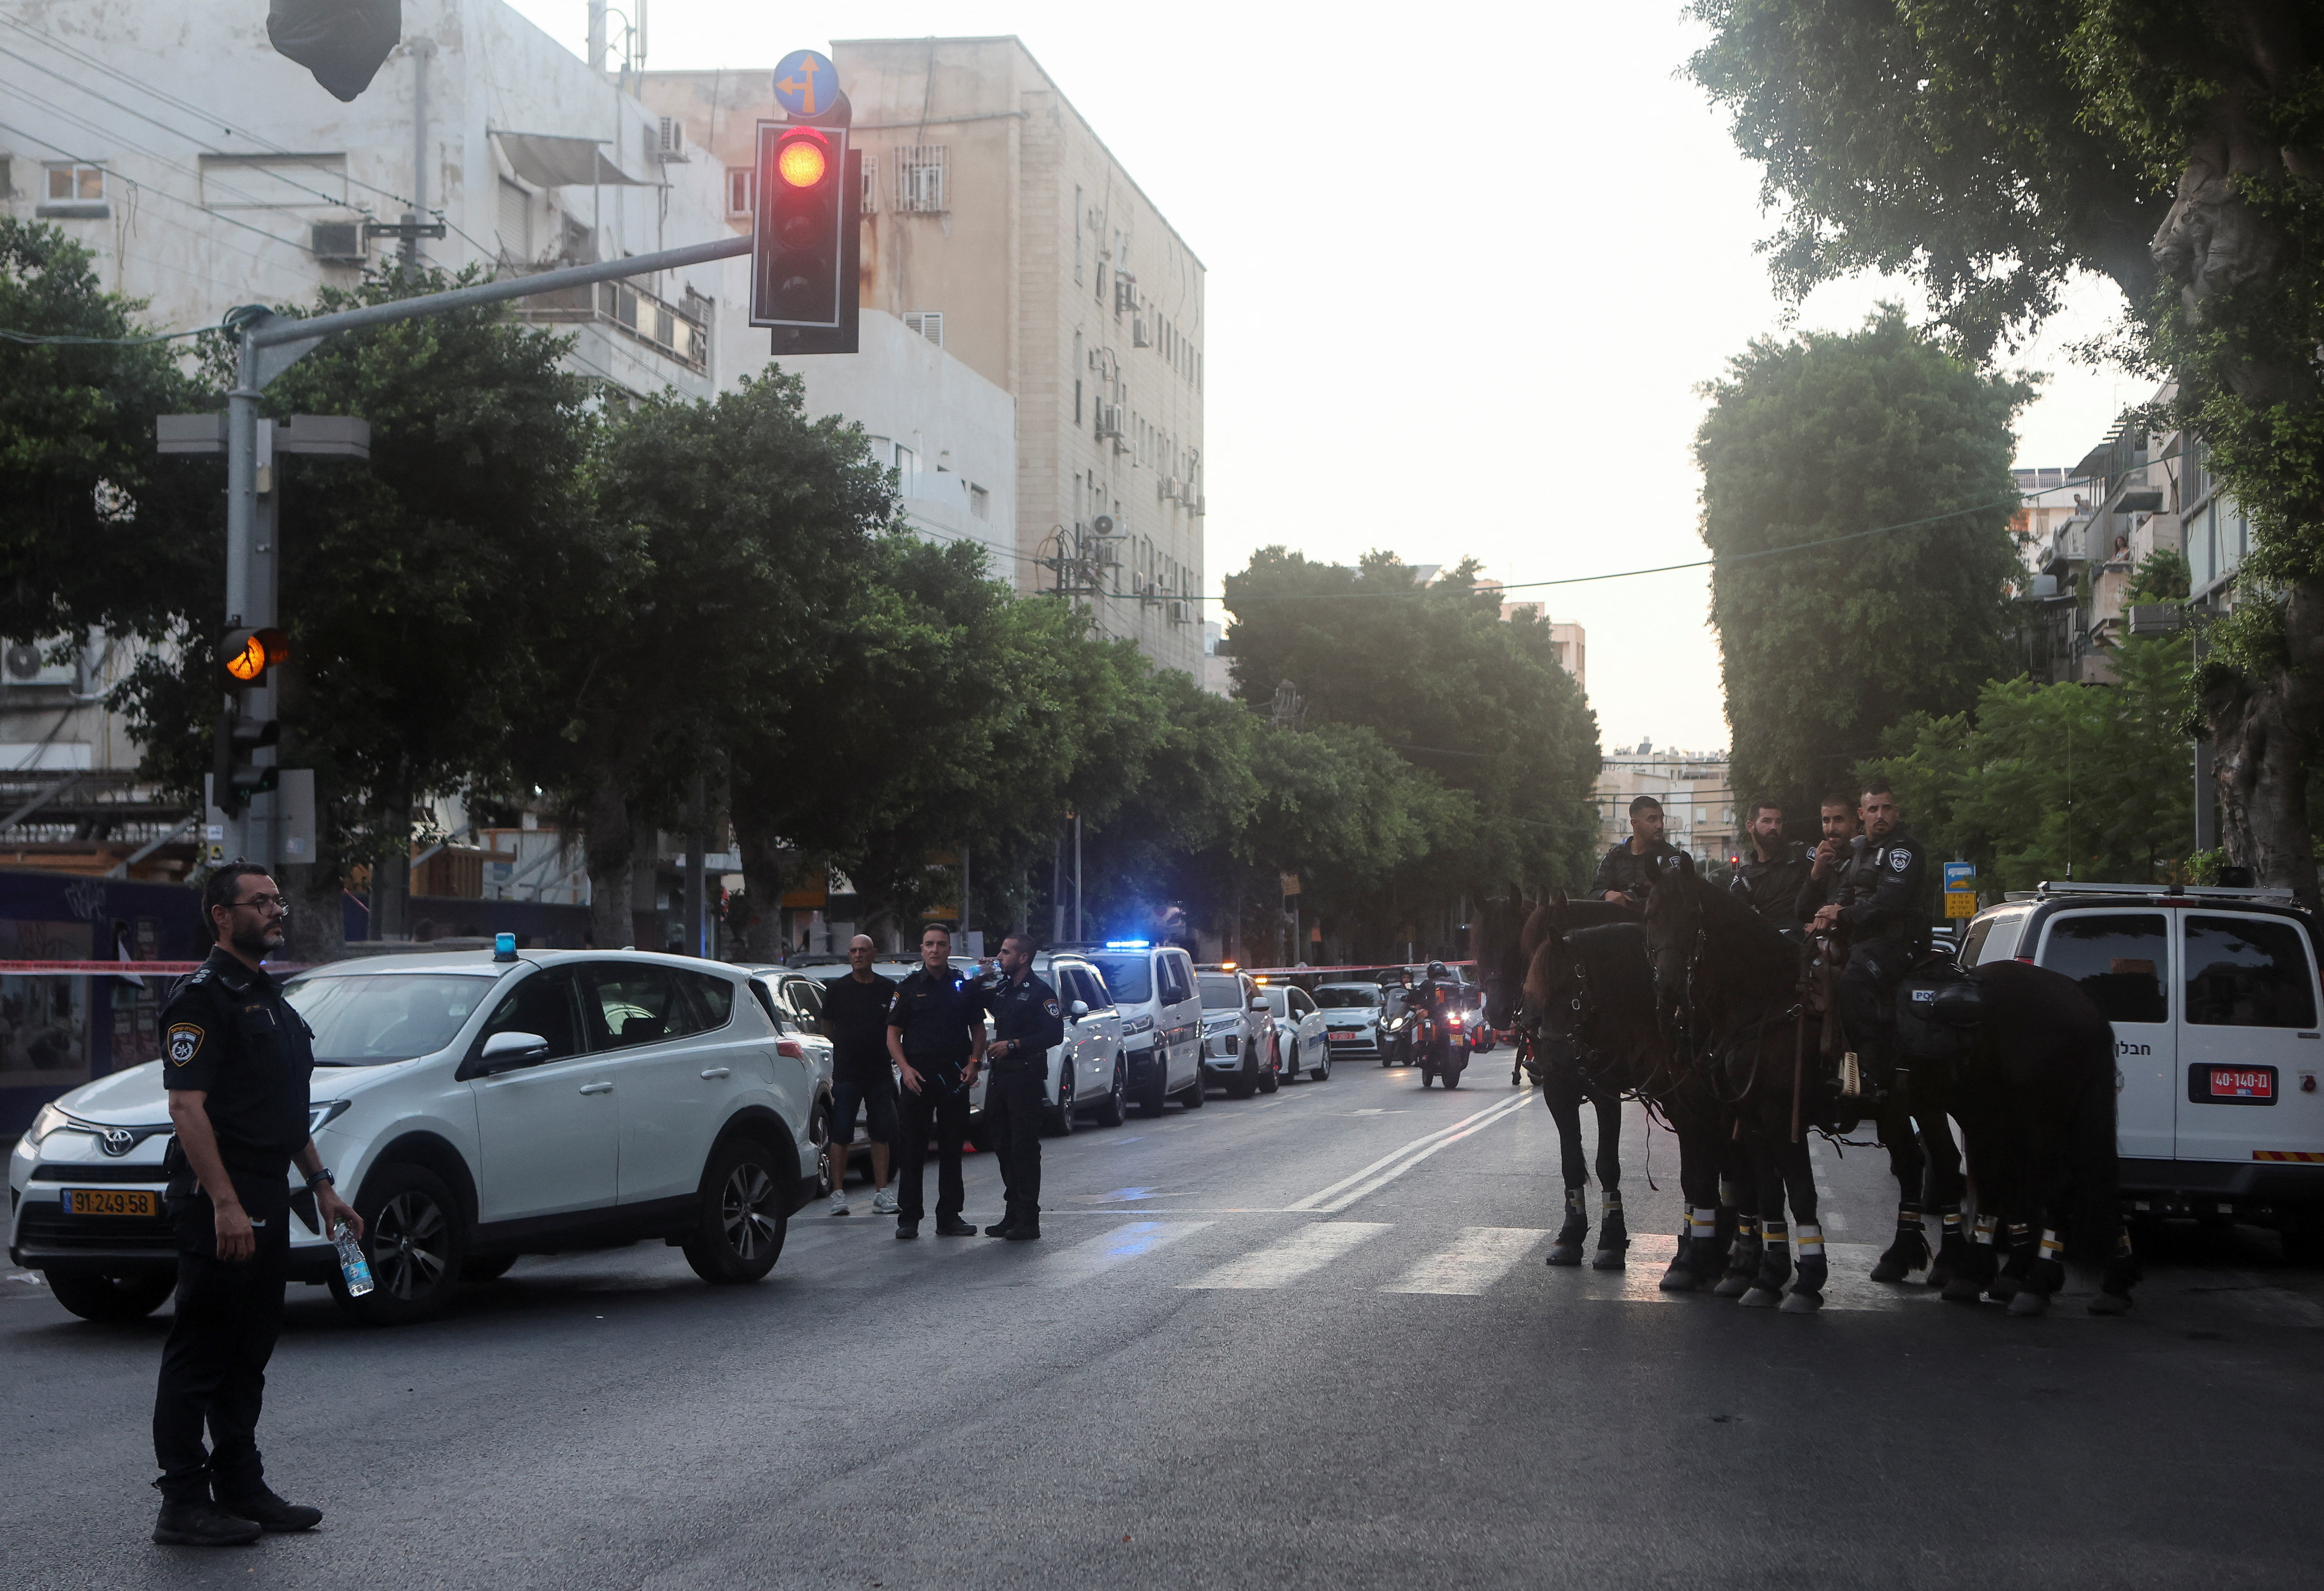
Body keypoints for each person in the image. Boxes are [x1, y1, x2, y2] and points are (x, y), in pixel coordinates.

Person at [150, 863, 363, 1548]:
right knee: (201, 1353)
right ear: (221, 914)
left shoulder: (271, 999)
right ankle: (183, 1502)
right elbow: (187, 1106)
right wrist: (225, 1203)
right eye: (261, 902)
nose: (278, 911)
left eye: (279, 901)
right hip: (222, 1198)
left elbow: (282, 1110)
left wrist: (324, 1185)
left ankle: (240, 1486)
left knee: (249, 1352)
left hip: (270, 1191)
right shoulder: (203, 998)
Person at [1809, 783, 1930, 1094]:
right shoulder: (1860, 850)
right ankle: (1827, 1062)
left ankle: (1869, 1072)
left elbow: (1889, 902)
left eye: (1887, 808)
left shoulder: (1904, 849)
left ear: (1896, 812)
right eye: (1873, 809)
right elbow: (1845, 894)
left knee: (1855, 981)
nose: (1881, 815)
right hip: (1864, 942)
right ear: (1862, 814)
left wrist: (1843, 915)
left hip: (1899, 943)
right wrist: (1823, 916)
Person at [885, 924, 988, 1239]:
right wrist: (904, 1069)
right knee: (912, 1148)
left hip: (955, 1077)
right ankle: (909, 1218)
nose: (935, 950)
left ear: (948, 949)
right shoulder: (908, 987)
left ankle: (949, 1217)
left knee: (951, 1148)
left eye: (941, 944)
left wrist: (974, 1064)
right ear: (922, 949)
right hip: (918, 1077)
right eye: (929, 944)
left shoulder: (963, 985)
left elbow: (978, 1030)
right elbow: (892, 1034)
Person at [981, 932, 1066, 1240]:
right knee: (1002, 1144)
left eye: (1005, 953)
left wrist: (1015, 1045)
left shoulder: (1041, 993)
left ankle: (1029, 1217)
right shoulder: (1002, 989)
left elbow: (1054, 1034)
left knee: (1024, 1148)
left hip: (1025, 1077)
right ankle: (1012, 1211)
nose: (999, 957)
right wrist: (980, 977)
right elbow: (972, 999)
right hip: (1001, 1077)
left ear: (1023, 958)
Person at [819, 935, 899, 1217]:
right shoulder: (837, 989)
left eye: (863, 950)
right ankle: (838, 1194)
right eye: (853, 950)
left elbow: (896, 1025)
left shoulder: (889, 989)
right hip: (847, 1073)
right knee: (841, 1133)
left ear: (874, 953)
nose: (857, 955)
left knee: (881, 1133)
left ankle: (882, 1193)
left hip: (879, 1072)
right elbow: (828, 1027)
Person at [1729, 801, 1812, 930]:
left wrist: (1822, 915)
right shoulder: (1745, 877)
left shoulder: (1801, 854)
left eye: (1778, 822)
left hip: (1808, 937)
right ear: (1751, 826)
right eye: (1767, 821)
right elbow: (1735, 917)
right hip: (1770, 942)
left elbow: (1837, 880)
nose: (1774, 827)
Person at [1591, 795, 1686, 908]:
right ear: (1635, 824)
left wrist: (1634, 903)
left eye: (1662, 819)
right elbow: (1594, 894)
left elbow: (1677, 901)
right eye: (1652, 819)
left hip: (1650, 923)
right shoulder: (1616, 856)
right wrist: (1607, 895)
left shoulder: (1670, 857)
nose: (1660, 825)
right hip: (1617, 923)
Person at [1792, 791, 1863, 926]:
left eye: (1839, 820)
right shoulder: (1826, 860)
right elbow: (1802, 913)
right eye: (1826, 821)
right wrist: (1815, 874)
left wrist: (1828, 915)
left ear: (1853, 822)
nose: (1831, 828)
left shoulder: (1865, 856)